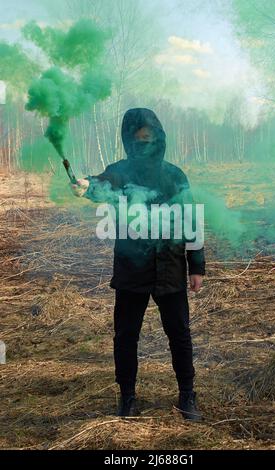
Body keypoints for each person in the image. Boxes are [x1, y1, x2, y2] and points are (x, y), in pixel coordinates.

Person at [71, 108, 206, 421]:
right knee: (126, 335)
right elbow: (101, 184)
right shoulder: (120, 171)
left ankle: (187, 394)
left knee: (179, 333)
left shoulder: (175, 175)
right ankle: (127, 397)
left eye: (149, 138)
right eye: (137, 139)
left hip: (170, 267)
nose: (143, 144)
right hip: (131, 268)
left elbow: (191, 220)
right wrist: (85, 185)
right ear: (128, 141)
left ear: (158, 138)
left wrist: (196, 265)